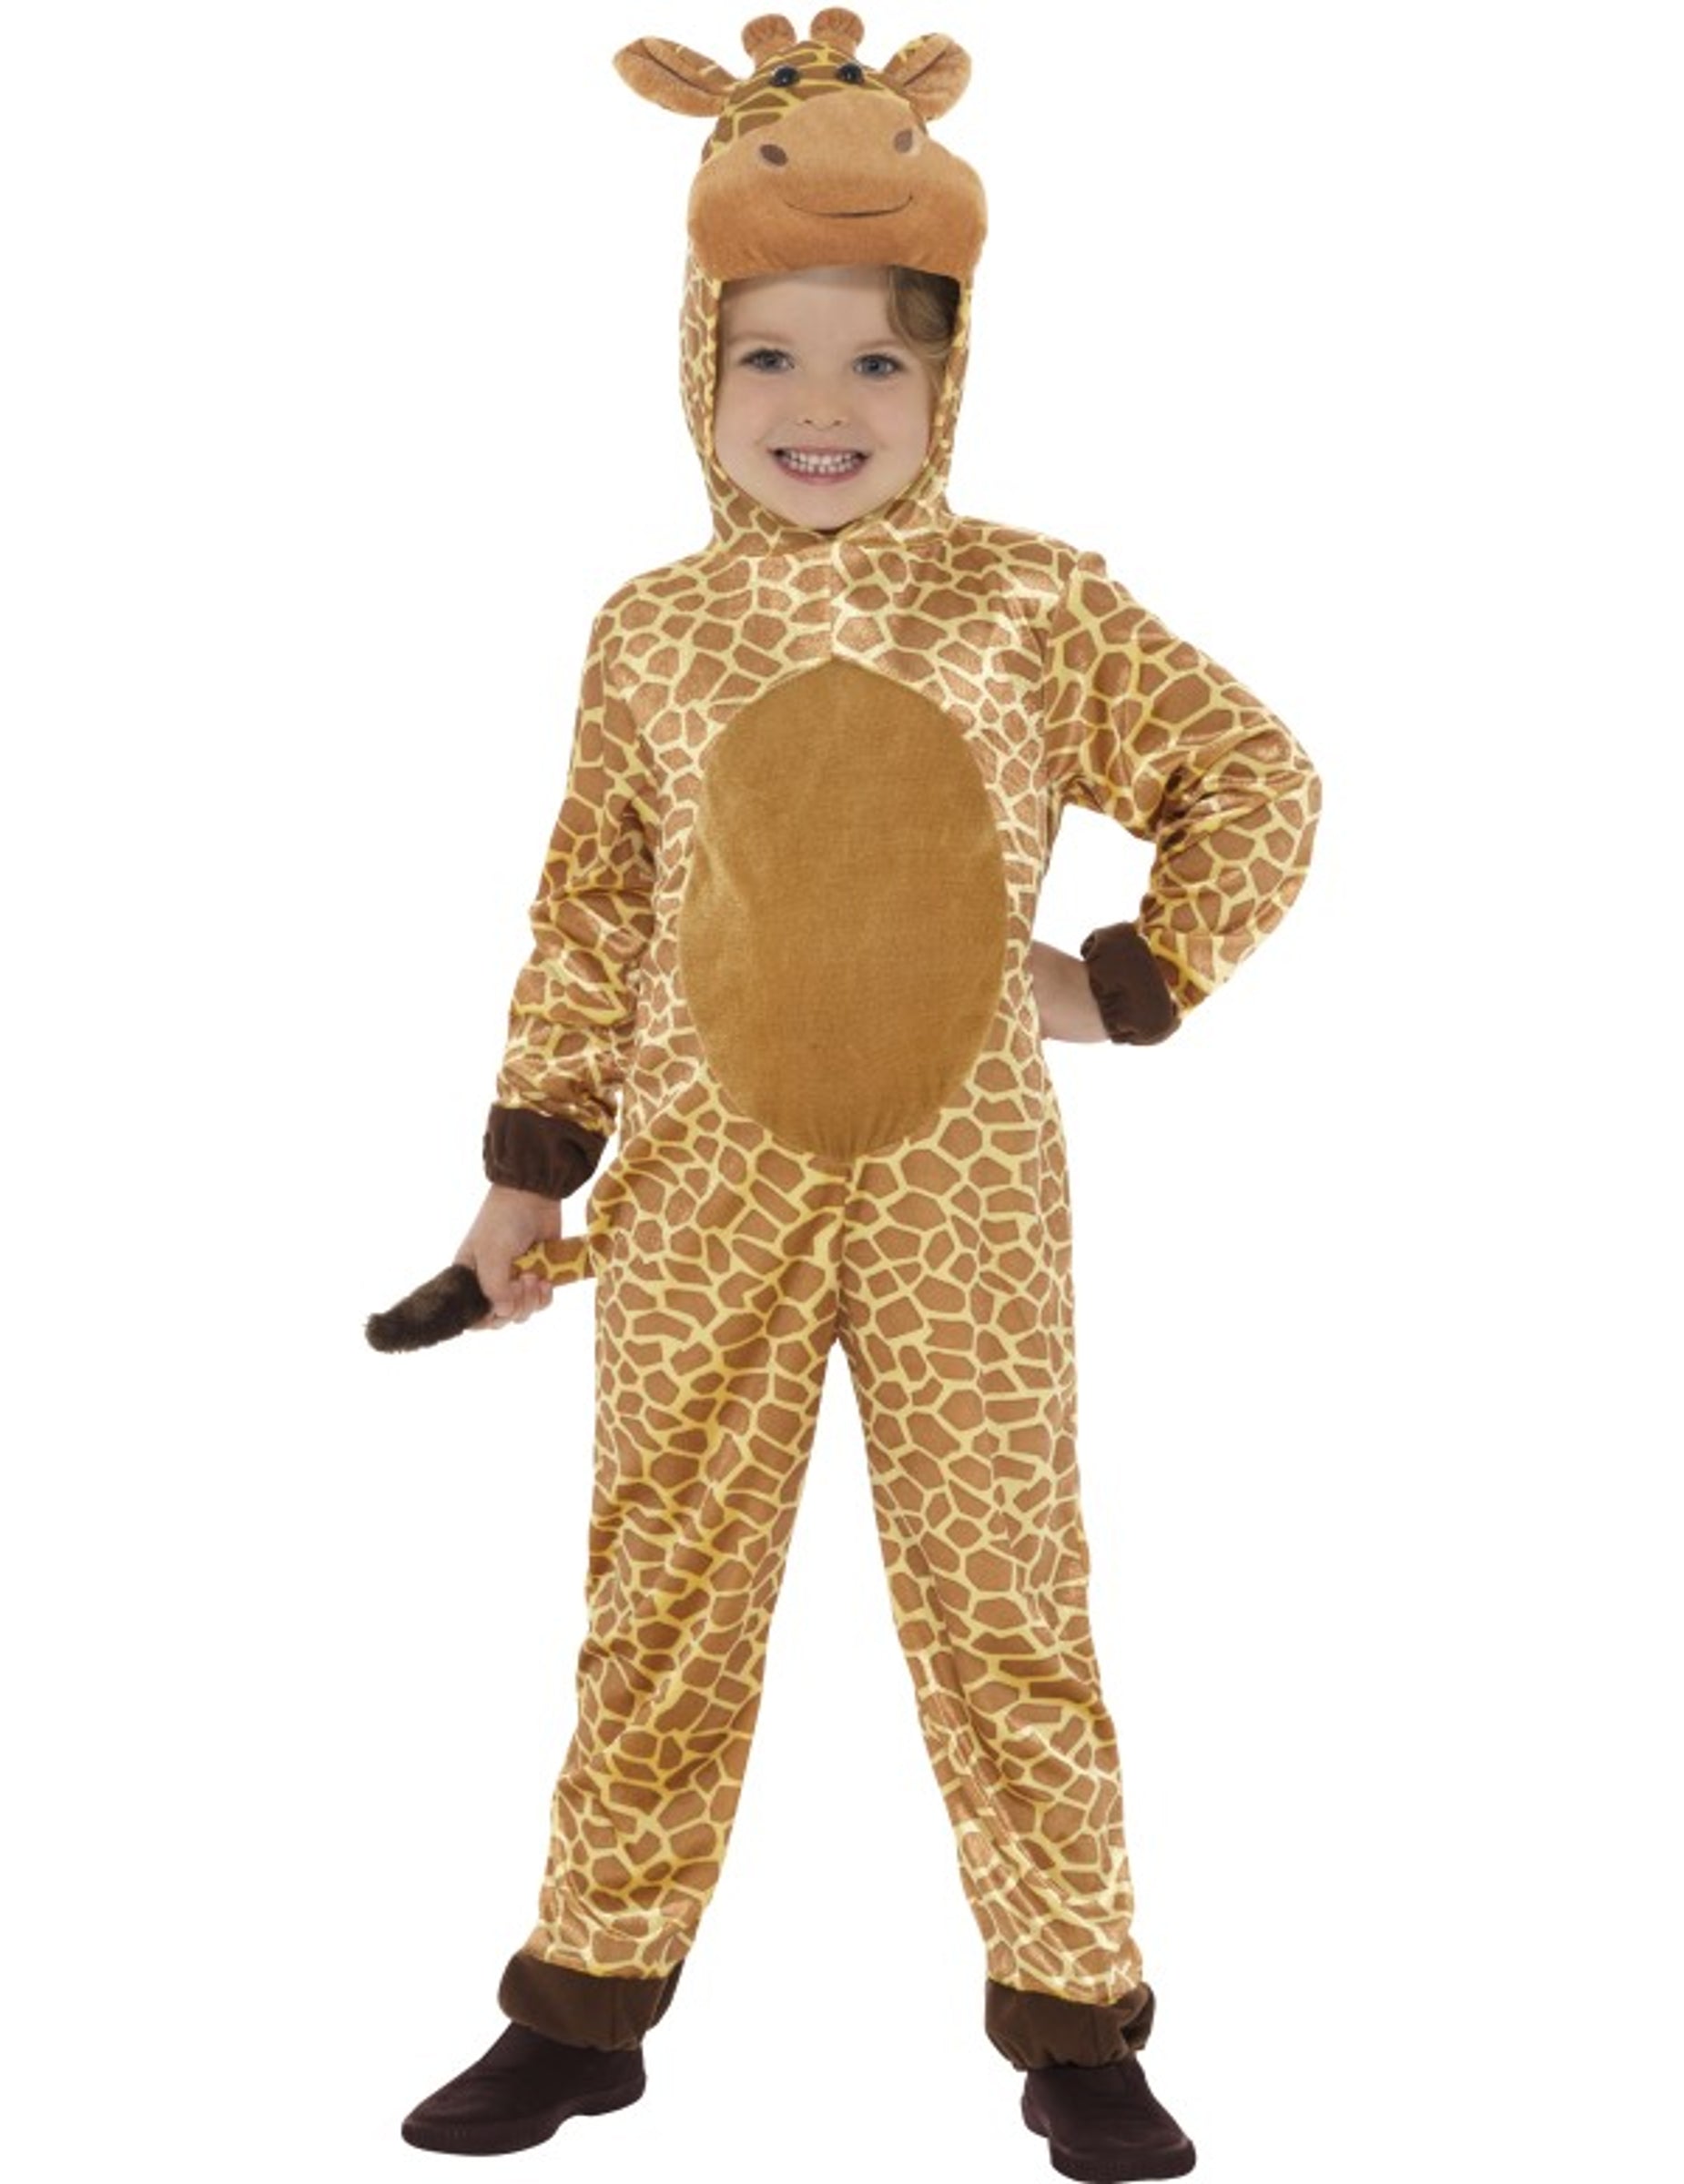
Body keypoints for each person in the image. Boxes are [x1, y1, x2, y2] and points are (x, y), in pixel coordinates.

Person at [397, 16, 1320, 2181]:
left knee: (1006, 1599)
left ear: (948, 373)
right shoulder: (649, 631)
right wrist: (526, 1181)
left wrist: (1122, 981)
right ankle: (585, 2006)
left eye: (877, 361)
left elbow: (1252, 777)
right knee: (663, 1593)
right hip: (700, 1190)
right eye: (770, 360)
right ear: (699, 370)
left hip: (959, 1192)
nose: (822, 407)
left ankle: (1076, 2021)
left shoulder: (1031, 601)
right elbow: (587, 912)